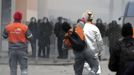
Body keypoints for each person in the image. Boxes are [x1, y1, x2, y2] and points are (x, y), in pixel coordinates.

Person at [82, 10, 104, 75]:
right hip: (94, 57)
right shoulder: (95, 28)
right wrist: (100, 51)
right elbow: (100, 42)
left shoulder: (80, 28)